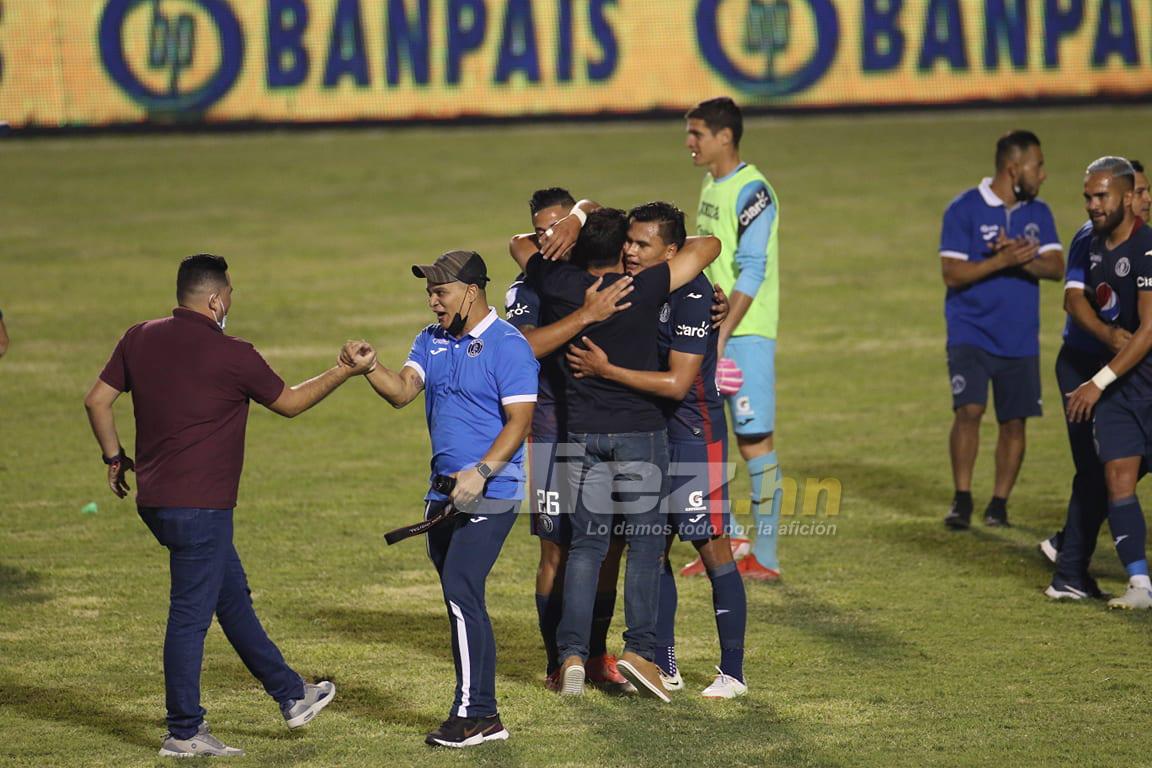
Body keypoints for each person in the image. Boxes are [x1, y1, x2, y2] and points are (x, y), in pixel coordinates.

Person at [83, 254, 352, 758]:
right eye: (229, 293)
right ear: (214, 299)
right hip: (201, 508)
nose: (230, 301)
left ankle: (292, 694)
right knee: (190, 616)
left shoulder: (138, 336)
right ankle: (184, 731)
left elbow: (96, 400)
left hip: (157, 502)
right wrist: (344, 370)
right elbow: (290, 403)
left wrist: (115, 458)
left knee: (230, 598)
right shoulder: (233, 354)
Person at [523, 207, 720, 700]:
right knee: (647, 547)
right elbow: (707, 246)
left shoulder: (559, 283)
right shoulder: (644, 286)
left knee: (586, 547)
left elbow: (519, 245)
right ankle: (639, 652)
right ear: (620, 249)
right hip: (639, 435)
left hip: (580, 437)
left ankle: (571, 655)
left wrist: (571, 219)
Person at [349, 250, 538, 746]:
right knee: (463, 600)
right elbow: (401, 392)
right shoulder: (429, 339)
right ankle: (485, 715)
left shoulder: (509, 346)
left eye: (441, 292)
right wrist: (371, 367)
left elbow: (520, 421)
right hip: (442, 494)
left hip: (492, 492)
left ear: (471, 292)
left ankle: (473, 714)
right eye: (429, 293)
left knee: (460, 588)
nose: (433, 301)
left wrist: (482, 471)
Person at [566, 202, 748, 699]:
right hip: (652, 432)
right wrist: (577, 216)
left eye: (642, 245)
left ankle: (732, 672)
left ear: (670, 252)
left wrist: (606, 371)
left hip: (693, 434)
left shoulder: (693, 295)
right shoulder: (640, 286)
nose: (629, 251)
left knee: (710, 545)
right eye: (628, 240)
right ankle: (662, 663)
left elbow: (677, 383)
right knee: (653, 543)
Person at [505, 188, 634, 693]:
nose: (552, 237)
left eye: (559, 227)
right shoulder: (530, 284)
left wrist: (578, 215)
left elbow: (600, 209)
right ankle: (557, 662)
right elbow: (523, 347)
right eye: (543, 230)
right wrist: (583, 317)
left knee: (610, 549)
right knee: (556, 549)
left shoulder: (600, 275)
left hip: (607, 428)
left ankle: (596, 656)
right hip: (552, 430)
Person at [939, 130, 1064, 530]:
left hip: (1019, 336)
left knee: (1014, 420)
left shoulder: (1039, 213)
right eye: (1037, 166)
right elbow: (952, 273)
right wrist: (1001, 261)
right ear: (1014, 169)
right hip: (970, 330)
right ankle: (961, 499)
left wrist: (1020, 259)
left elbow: (1056, 268)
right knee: (969, 410)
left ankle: (998, 504)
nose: (1042, 175)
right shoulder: (964, 209)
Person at [684, 96, 782, 580]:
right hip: (714, 330)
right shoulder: (711, 182)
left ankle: (766, 556)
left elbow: (753, 269)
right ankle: (730, 540)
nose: (689, 142)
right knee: (705, 436)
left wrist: (723, 333)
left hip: (746, 335)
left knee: (753, 439)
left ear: (725, 136)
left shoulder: (753, 192)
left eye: (697, 134)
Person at [1041, 157, 1151, 570]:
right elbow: (1072, 300)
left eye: (1147, 191)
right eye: (1140, 192)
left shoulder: (1142, 245)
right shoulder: (1090, 238)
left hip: (1125, 370)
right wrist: (1109, 337)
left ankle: (1069, 549)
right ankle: (1071, 565)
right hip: (1086, 364)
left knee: (1117, 466)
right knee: (1099, 468)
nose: (1146, 199)